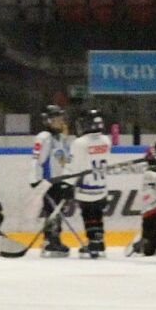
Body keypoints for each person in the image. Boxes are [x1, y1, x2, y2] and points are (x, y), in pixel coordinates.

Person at [67, 109, 112, 258]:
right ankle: (99, 242)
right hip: (101, 187)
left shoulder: (79, 143)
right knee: (97, 214)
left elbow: (74, 167)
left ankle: (93, 243)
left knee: (88, 214)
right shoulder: (106, 140)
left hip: (85, 187)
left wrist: (67, 184)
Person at [30, 105, 72, 257]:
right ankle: (50, 240)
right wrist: (35, 180)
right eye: (56, 119)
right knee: (51, 211)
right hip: (48, 182)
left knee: (58, 211)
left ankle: (55, 239)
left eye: (61, 118)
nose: (60, 121)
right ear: (47, 121)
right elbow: (36, 159)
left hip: (60, 181)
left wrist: (69, 181)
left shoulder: (62, 138)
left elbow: (66, 161)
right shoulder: (43, 137)